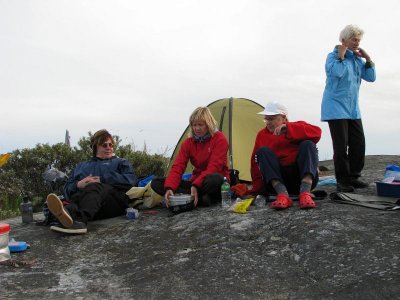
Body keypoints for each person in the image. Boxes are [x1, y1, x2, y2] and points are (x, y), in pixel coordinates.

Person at [47, 129, 137, 234]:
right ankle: (66, 217)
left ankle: (79, 221)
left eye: (111, 145)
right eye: (104, 145)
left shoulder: (121, 162)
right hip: (91, 208)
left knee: (94, 187)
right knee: (75, 199)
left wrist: (102, 179)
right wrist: (78, 184)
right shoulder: (81, 166)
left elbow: (131, 180)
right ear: (96, 147)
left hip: (114, 203)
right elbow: (67, 189)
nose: (109, 148)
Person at [321, 24, 376, 192]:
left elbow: (371, 77)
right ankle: (343, 180)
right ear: (344, 40)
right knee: (341, 145)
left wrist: (368, 59)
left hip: (352, 109)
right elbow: (338, 72)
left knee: (358, 143)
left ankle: (354, 176)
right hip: (335, 107)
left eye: (358, 40)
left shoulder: (357, 60)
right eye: (354, 39)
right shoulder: (332, 57)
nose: (357, 42)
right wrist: (341, 56)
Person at [151, 106, 230, 209]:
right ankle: (201, 198)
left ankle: (196, 197)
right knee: (156, 183)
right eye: (194, 125)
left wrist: (195, 185)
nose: (196, 128)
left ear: (208, 124)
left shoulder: (220, 139)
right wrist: (169, 188)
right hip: (196, 182)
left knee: (213, 180)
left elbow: (214, 168)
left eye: (200, 125)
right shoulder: (188, 143)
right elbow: (178, 167)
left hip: (214, 180)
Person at [249, 102, 321, 209]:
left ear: (283, 118)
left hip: (299, 178)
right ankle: (282, 194)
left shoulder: (297, 126)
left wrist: (288, 128)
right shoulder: (262, 135)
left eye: (271, 119)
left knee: (308, 144)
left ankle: (305, 192)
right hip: (277, 182)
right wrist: (257, 190)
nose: (268, 122)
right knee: (262, 152)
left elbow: (317, 132)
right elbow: (255, 164)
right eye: (266, 119)